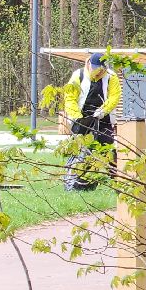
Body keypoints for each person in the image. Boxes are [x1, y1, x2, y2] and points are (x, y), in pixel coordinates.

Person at [58, 51, 120, 191]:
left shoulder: (111, 77)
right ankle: (76, 182)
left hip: (104, 119)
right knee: (80, 149)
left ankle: (117, 182)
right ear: (90, 64)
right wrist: (77, 117)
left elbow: (114, 97)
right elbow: (70, 98)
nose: (98, 73)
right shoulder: (78, 75)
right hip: (82, 118)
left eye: (101, 70)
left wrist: (103, 110)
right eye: (96, 69)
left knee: (107, 149)